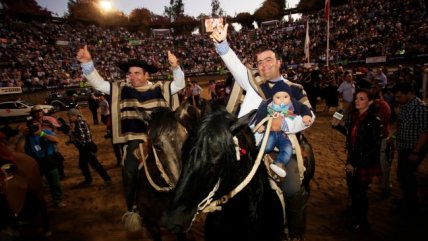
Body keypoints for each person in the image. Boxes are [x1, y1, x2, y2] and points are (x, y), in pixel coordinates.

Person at [211, 23, 315, 239]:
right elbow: (236, 67)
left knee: (293, 189)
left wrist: (284, 125)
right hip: (247, 148)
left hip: (280, 151)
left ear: (279, 62)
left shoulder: (295, 89)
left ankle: (294, 234)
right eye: (259, 62)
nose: (263, 64)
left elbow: (309, 117)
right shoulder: (251, 84)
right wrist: (222, 44)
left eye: (269, 59)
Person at [76, 45, 185, 214]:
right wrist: (87, 64)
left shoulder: (160, 87)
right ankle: (132, 207)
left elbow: (179, 84)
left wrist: (175, 67)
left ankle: (188, 199)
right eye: (129, 73)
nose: (132, 76)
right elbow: (99, 84)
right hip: (136, 139)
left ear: (147, 75)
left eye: (137, 73)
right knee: (129, 172)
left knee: (183, 162)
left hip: (160, 137)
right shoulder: (122, 89)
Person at [332, 89, 382, 230]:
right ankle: (354, 210)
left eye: (362, 99)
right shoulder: (356, 116)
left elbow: (373, 147)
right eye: (356, 98)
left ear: (370, 102)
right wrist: (337, 124)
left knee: (360, 191)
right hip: (353, 157)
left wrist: (356, 164)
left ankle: (363, 221)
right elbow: (351, 134)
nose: (357, 101)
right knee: (353, 187)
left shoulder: (373, 120)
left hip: (362, 161)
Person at [254, 81, 313, 178]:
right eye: (278, 97)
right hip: (271, 132)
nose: (282, 100)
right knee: (267, 146)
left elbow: (304, 107)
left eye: (285, 97)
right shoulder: (267, 104)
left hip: (284, 134)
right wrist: (260, 125)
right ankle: (257, 157)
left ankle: (279, 163)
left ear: (289, 96)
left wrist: (306, 115)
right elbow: (260, 115)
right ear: (273, 97)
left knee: (287, 149)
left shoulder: (293, 103)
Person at [391, 82, 428, 216]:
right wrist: (395, 137)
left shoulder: (420, 108)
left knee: (407, 176)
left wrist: (415, 151)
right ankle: (407, 199)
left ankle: (411, 206)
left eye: (399, 96)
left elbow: (425, 132)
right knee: (402, 175)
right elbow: (401, 125)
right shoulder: (405, 105)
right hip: (404, 147)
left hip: (413, 148)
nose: (397, 99)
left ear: (409, 93)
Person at [24, 119, 66, 208]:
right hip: (36, 163)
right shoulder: (27, 137)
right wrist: (23, 136)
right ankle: (39, 203)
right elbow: (22, 150)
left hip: (49, 161)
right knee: (37, 185)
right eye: (33, 126)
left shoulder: (46, 132)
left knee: (55, 182)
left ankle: (58, 200)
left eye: (37, 125)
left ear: (40, 125)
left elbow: (56, 140)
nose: (35, 127)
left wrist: (41, 134)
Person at [66, 108, 112, 188]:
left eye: (69, 116)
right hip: (85, 147)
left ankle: (107, 180)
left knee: (95, 164)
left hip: (86, 148)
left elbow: (82, 139)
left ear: (74, 115)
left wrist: (71, 135)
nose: (69, 118)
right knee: (83, 164)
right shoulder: (80, 122)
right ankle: (89, 180)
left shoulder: (79, 123)